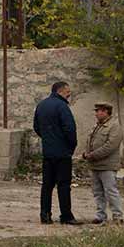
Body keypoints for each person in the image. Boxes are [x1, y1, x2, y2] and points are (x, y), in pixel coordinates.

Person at [33, 81, 83, 225]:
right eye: (68, 92)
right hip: (62, 153)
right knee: (64, 185)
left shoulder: (41, 105)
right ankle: (66, 216)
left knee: (47, 185)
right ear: (61, 91)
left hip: (48, 152)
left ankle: (45, 215)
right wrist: (71, 146)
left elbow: (36, 127)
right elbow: (70, 129)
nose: (69, 95)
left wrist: (48, 139)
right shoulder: (62, 107)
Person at [84, 102, 124, 224]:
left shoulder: (114, 126)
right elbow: (90, 142)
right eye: (96, 111)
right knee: (97, 192)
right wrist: (86, 154)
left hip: (107, 165)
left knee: (110, 191)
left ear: (106, 112)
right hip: (95, 165)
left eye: (98, 111)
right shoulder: (97, 126)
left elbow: (110, 146)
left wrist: (93, 155)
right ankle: (100, 215)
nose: (96, 113)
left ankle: (117, 216)